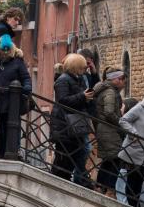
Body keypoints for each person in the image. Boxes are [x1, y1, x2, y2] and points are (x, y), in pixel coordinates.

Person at [49, 53, 95, 187]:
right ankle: (58, 183)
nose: (85, 70)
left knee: (76, 154)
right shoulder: (63, 80)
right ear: (76, 67)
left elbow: (79, 100)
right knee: (63, 157)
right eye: (82, 67)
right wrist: (82, 96)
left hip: (75, 126)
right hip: (64, 125)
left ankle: (76, 179)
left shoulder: (78, 79)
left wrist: (87, 99)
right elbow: (62, 101)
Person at [92, 68, 126, 193]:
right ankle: (108, 188)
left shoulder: (107, 90)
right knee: (115, 158)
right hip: (109, 130)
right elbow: (109, 113)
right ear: (117, 79)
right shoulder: (110, 92)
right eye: (123, 81)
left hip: (105, 129)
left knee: (109, 159)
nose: (123, 84)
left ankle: (101, 187)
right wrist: (121, 123)